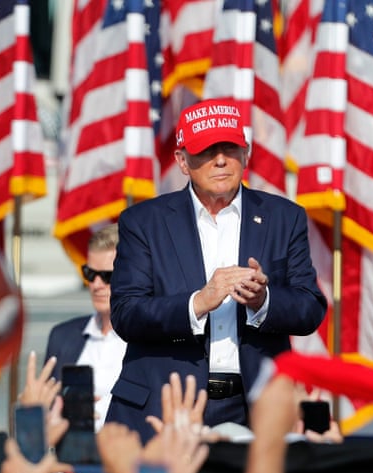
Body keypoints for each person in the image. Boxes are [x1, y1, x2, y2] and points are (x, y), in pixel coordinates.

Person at [106, 99, 327, 439]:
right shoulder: (144, 222)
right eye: (207, 151)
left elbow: (310, 308)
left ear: (246, 154)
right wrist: (197, 302)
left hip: (252, 406)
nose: (220, 160)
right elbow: (126, 313)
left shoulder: (284, 217)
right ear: (183, 161)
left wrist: (263, 301)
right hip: (166, 403)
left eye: (230, 149)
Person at [45, 225, 126, 431]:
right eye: (90, 273)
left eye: (107, 276)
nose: (96, 284)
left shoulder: (151, 340)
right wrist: (32, 409)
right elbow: (46, 412)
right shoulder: (61, 337)